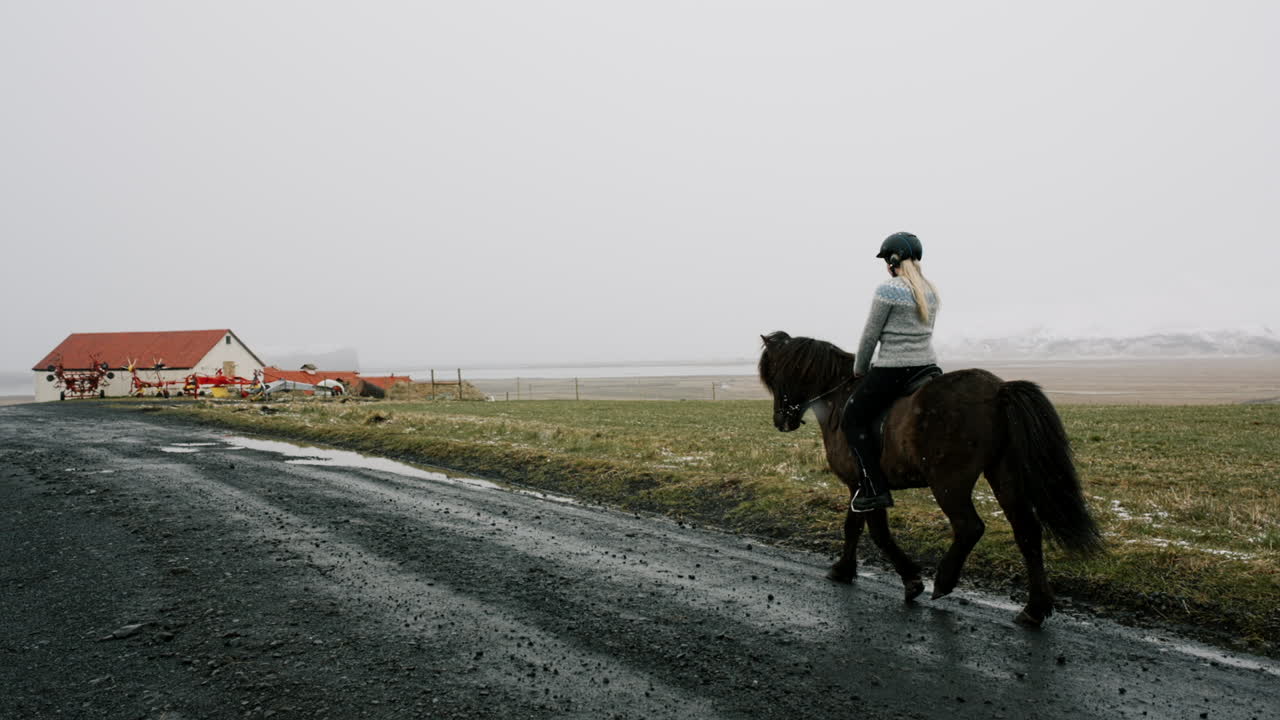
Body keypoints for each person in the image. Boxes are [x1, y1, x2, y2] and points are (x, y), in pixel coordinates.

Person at [843, 231, 940, 511]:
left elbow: (870, 336)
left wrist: (860, 368)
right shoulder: (931, 290)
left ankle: (873, 489)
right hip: (926, 367)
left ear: (892, 260)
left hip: (894, 369)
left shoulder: (888, 289)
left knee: (853, 418)